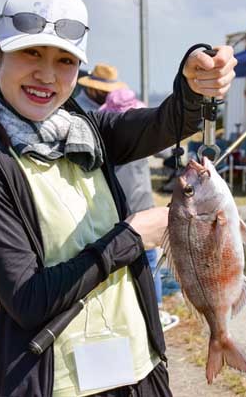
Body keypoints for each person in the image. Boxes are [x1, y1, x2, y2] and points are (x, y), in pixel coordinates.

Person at [0, 0, 237, 397]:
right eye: (31, 52)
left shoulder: (88, 132)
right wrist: (133, 237)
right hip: (55, 382)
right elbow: (28, 299)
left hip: (135, 369)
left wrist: (195, 78)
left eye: (64, 60)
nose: (46, 74)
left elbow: (169, 120)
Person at [99, 88, 179, 332]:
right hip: (142, 206)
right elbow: (165, 149)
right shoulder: (140, 136)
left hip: (115, 209)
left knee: (119, 261)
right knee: (150, 260)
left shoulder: (105, 138)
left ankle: (124, 310)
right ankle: (155, 311)